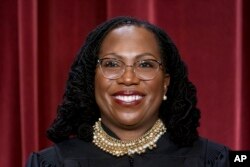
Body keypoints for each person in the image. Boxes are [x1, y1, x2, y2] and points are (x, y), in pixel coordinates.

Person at [26, 16, 230, 167]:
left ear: (165, 83)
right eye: (112, 64)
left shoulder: (213, 159)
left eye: (145, 64)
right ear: (91, 79)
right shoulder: (50, 163)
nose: (128, 78)